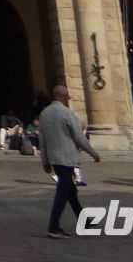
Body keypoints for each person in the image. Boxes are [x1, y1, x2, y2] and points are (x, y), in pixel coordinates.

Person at [39, 85, 100, 239]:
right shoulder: (66, 113)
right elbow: (79, 137)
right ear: (64, 97)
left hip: (54, 158)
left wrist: (45, 160)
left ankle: (84, 221)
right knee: (62, 191)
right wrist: (94, 154)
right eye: (68, 97)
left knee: (71, 191)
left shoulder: (44, 113)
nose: (68, 100)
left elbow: (42, 139)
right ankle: (53, 227)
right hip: (66, 158)